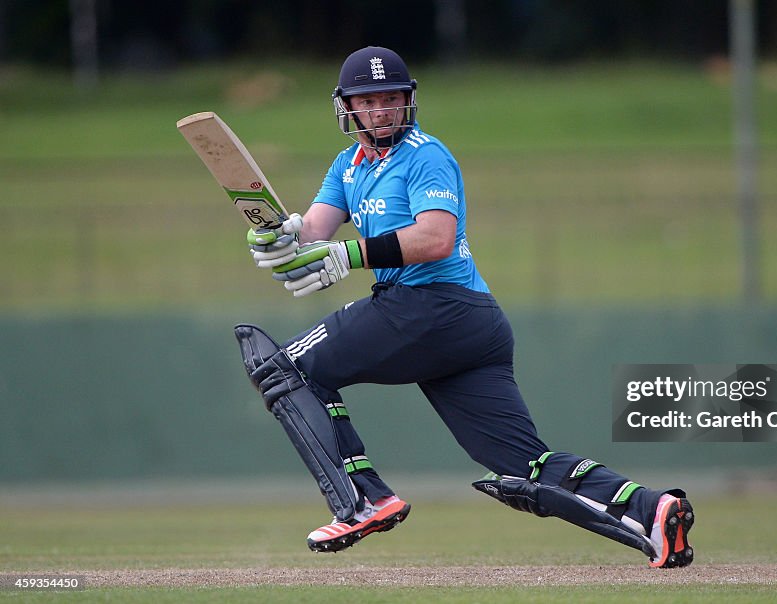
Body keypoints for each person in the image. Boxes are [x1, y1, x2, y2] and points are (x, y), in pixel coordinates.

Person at [235, 46, 694, 569]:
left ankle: (363, 499)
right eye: (370, 101)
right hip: (464, 326)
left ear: (408, 102)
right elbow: (315, 229)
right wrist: (280, 235)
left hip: (432, 306)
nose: (382, 110)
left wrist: (348, 254)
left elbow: (436, 238)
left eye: (391, 98)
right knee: (522, 465)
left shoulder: (427, 155)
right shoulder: (349, 165)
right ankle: (654, 510)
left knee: (287, 369)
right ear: (348, 108)